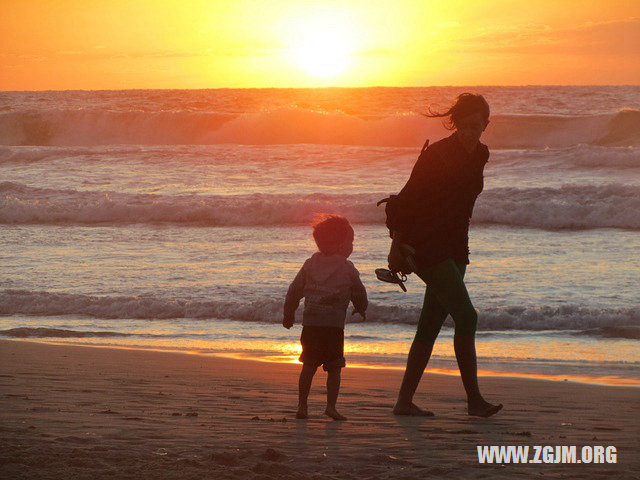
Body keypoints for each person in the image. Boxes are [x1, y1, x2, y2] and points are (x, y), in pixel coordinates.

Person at [390, 93, 503, 418]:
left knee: (431, 322)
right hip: (426, 245)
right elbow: (404, 201)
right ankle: (474, 401)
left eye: (477, 126)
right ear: (455, 124)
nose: (471, 132)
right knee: (467, 316)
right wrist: (396, 247)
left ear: (486, 124)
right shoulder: (437, 154)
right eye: (466, 126)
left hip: (456, 245)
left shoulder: (481, 153)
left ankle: (404, 402)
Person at [283, 215, 368, 421]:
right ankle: (331, 406)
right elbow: (359, 291)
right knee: (335, 367)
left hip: (311, 325)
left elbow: (294, 291)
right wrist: (361, 307)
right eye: (351, 242)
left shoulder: (310, 265)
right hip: (333, 328)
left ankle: (302, 406)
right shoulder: (347, 268)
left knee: (308, 365)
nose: (352, 246)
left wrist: (289, 313)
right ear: (340, 245)